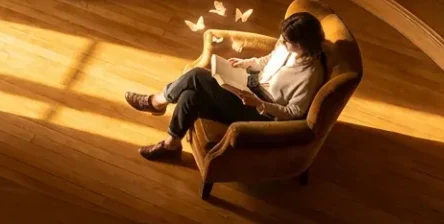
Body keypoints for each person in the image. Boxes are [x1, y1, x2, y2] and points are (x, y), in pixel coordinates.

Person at [125, 11, 328, 161]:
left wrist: (259, 103)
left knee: (196, 76)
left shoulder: (310, 74)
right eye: (282, 39)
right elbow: (268, 60)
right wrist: (247, 63)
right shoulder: (286, 46)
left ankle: (156, 102)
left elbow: (294, 112)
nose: (282, 43)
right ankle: (171, 145)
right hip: (250, 85)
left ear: (303, 44)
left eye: (287, 42)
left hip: (260, 112)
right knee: (190, 95)